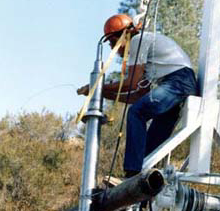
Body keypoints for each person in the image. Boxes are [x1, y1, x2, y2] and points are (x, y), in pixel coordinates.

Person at [78, 13, 199, 177]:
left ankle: (132, 173)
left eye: (113, 42)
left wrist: (97, 85)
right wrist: (102, 92)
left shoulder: (136, 41)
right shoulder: (145, 50)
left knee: (136, 112)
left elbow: (131, 84)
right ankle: (144, 185)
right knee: (151, 144)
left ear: (122, 36)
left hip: (178, 82)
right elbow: (137, 95)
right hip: (179, 85)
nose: (114, 48)